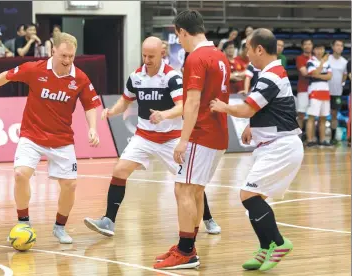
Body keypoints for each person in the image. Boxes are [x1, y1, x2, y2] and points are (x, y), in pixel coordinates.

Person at [83, 36, 221, 238]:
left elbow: (183, 106)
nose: (146, 60)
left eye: (151, 56)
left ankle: (208, 218)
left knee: (190, 182)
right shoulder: (136, 76)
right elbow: (125, 100)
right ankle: (108, 221)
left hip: (171, 138)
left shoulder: (172, 77)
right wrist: (112, 111)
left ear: (162, 54)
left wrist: (164, 115)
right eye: (144, 55)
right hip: (144, 136)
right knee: (120, 170)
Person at [0, 32, 101, 244]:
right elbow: (6, 75)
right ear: (53, 51)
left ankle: (59, 227)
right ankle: (24, 222)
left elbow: (90, 105)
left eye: (71, 56)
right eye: (63, 56)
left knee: (70, 186)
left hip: (62, 139)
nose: (67, 61)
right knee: (21, 175)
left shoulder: (80, 78)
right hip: (32, 135)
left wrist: (93, 128)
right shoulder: (35, 69)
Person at [210, 28, 303, 271]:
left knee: (248, 195)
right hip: (273, 145)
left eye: (249, 49)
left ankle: (279, 243)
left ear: (259, 49)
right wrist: (252, 125)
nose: (247, 54)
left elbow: (247, 108)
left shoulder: (271, 75)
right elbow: (264, 108)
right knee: (255, 197)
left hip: (280, 147)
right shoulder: (268, 73)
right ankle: (265, 248)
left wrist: (223, 106)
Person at [154, 10, 230, 270]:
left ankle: (186, 252)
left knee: (183, 189)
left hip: (202, 133)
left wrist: (183, 140)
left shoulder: (196, 58)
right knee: (194, 190)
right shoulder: (220, 56)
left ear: (182, 32)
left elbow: (193, 102)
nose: (180, 42)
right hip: (218, 133)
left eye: (179, 37)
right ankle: (187, 245)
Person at [305, 44, 332, 147]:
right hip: (314, 91)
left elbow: (329, 76)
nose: (320, 51)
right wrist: (321, 64)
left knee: (323, 117)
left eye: (322, 49)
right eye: (317, 49)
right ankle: (310, 140)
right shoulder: (310, 61)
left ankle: (322, 140)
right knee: (311, 117)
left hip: (325, 91)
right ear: (314, 50)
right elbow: (313, 73)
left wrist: (318, 75)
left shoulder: (328, 63)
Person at [328, 40, 348, 145]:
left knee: (334, 115)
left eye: (341, 46)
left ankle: (333, 137)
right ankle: (317, 137)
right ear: (333, 46)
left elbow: (345, 75)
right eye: (337, 45)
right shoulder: (327, 59)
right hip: (324, 92)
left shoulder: (344, 62)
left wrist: (341, 83)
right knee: (320, 115)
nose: (339, 47)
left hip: (337, 93)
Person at [295, 39, 313, 137]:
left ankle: (311, 138)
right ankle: (298, 138)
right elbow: (304, 73)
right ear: (302, 46)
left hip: (315, 90)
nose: (307, 46)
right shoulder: (300, 58)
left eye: (309, 44)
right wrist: (318, 73)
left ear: (312, 46)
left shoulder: (315, 59)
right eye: (305, 44)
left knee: (312, 115)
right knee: (301, 115)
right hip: (303, 89)